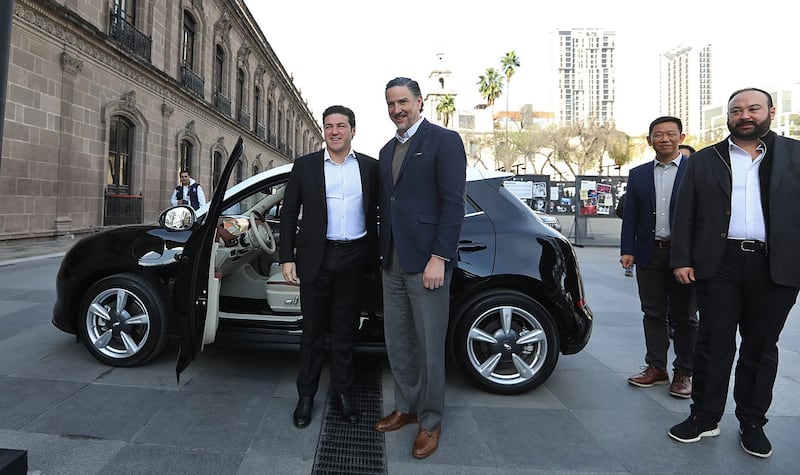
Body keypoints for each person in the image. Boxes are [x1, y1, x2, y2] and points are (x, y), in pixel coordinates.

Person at [668, 88, 800, 458]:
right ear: (728, 117)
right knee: (712, 343)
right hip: (719, 264)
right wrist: (682, 258)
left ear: (770, 111)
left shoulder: (794, 154)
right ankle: (704, 417)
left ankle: (753, 422)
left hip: (775, 266)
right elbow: (685, 213)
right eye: (736, 110)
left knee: (761, 346)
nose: (745, 115)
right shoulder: (705, 159)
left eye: (753, 108)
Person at [373, 77, 466, 460]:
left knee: (429, 346)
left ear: (419, 102)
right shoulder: (383, 150)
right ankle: (406, 408)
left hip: (427, 262)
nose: (397, 109)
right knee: (399, 343)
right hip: (392, 260)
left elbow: (452, 204)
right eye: (391, 103)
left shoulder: (444, 141)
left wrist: (439, 258)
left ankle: (430, 422)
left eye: (403, 102)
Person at [279, 105, 379, 429]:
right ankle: (306, 396)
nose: (334, 131)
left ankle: (342, 393)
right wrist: (287, 257)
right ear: (324, 130)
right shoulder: (305, 166)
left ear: (353, 130)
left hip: (354, 258)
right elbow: (289, 213)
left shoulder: (369, 167)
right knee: (312, 333)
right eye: (329, 126)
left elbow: (384, 213)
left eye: (341, 125)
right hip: (316, 259)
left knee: (344, 332)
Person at [620, 116, 698, 399]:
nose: (664, 138)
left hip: (684, 257)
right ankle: (656, 368)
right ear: (649, 139)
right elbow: (630, 216)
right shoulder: (638, 174)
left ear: (681, 136)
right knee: (652, 313)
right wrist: (627, 250)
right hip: (649, 253)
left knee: (685, 316)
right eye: (658, 134)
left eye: (670, 134)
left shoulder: (695, 170)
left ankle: (684, 372)